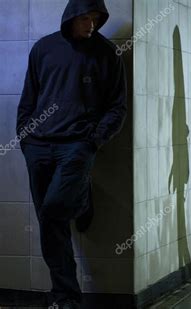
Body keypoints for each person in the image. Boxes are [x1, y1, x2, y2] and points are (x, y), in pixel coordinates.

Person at [16, 0, 127, 307]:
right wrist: (25, 137)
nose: (91, 24)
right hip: (38, 145)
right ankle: (64, 294)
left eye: (95, 18)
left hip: (77, 146)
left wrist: (94, 140)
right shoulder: (44, 49)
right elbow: (29, 97)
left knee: (51, 212)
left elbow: (117, 107)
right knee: (49, 220)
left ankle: (65, 295)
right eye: (85, 18)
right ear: (71, 17)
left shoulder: (106, 54)